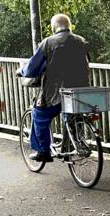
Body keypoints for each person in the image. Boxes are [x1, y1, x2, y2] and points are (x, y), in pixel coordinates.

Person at [16, 14, 90, 162]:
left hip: (56, 92)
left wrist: (21, 71)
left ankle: (43, 152)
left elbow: (32, 68)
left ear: (53, 27)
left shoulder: (48, 43)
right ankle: (71, 144)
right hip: (80, 92)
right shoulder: (81, 41)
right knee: (72, 113)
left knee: (39, 114)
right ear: (68, 26)